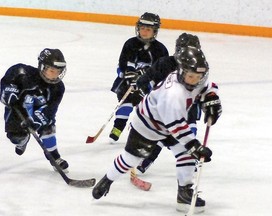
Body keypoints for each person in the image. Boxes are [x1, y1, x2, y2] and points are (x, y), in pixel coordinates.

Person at [92, 46, 222, 213]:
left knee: (186, 154)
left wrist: (211, 98)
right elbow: (175, 125)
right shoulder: (173, 94)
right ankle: (107, 180)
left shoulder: (192, 76)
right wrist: (194, 145)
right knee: (131, 159)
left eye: (198, 76)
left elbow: (208, 86)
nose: (194, 80)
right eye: (191, 76)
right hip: (148, 125)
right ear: (182, 72)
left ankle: (184, 193)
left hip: (170, 124)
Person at [136, 33, 202, 173]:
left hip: (188, 107)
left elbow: (204, 88)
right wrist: (147, 94)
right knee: (162, 135)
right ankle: (146, 160)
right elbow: (143, 81)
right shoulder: (164, 63)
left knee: (189, 135)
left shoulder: (199, 68)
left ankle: (190, 161)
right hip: (166, 107)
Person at [0, 48, 69, 172]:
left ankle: (54, 157)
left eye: (58, 72)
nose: (55, 75)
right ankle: (23, 141)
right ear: (42, 67)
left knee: (48, 127)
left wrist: (36, 121)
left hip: (39, 111)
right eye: (52, 71)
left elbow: (50, 110)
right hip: (18, 110)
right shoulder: (22, 73)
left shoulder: (58, 88)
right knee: (16, 137)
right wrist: (9, 92)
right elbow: (7, 82)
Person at [109, 12, 169, 143]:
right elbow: (124, 63)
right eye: (142, 28)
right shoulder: (130, 44)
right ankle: (117, 128)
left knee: (145, 109)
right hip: (127, 82)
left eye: (148, 29)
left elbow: (162, 71)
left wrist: (147, 78)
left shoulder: (160, 49)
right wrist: (129, 75)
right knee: (126, 103)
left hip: (148, 85)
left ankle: (136, 129)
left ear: (155, 31)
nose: (144, 32)